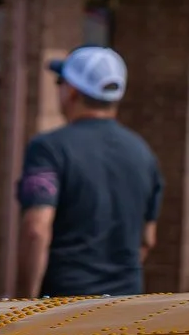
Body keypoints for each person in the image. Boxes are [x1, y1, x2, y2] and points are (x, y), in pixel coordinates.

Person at [17, 45, 164, 297]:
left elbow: (36, 229)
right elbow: (147, 239)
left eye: (59, 82)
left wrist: (24, 302)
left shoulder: (48, 148)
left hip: (64, 305)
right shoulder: (143, 153)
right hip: (126, 307)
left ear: (72, 91)